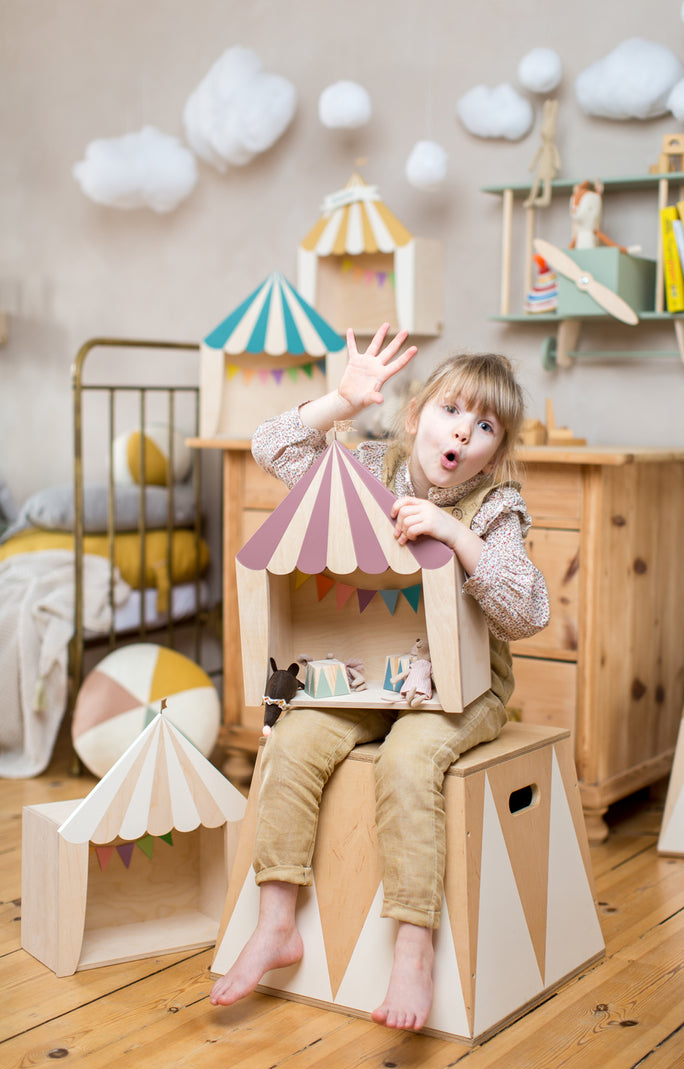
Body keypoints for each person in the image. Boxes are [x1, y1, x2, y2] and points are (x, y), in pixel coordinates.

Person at [210, 323, 549, 1030]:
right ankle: (277, 922)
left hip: (466, 690)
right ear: (416, 414)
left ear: (496, 451)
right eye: (452, 410)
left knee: (410, 757)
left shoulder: (495, 508)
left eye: (484, 424)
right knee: (295, 736)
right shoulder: (368, 467)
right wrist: (339, 401)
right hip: (373, 679)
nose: (463, 432)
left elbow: (527, 612)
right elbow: (271, 445)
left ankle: (414, 948)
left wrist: (458, 536)